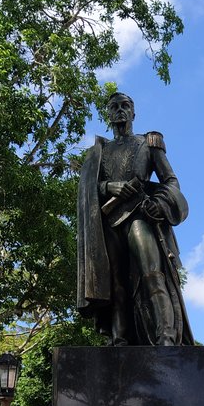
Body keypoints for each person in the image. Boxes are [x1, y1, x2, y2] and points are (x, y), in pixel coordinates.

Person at [77, 92, 194, 346]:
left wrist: (160, 203)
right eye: (114, 107)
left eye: (125, 106)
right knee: (116, 284)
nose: (120, 110)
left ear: (133, 113)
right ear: (108, 114)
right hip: (109, 222)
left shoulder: (148, 144)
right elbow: (88, 189)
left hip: (140, 214)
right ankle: (120, 340)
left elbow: (171, 181)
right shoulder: (99, 152)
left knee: (152, 274)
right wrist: (110, 187)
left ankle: (166, 337)